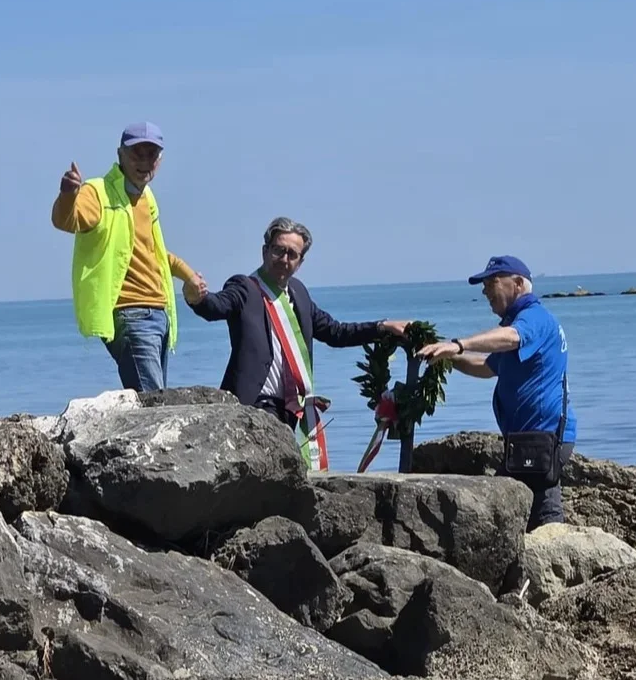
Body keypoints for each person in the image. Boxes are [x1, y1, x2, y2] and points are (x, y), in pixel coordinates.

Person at [185, 216, 409, 471]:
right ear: (265, 251)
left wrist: (382, 327)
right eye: (279, 250)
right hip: (255, 403)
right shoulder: (244, 287)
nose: (284, 259)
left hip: (294, 409)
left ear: (300, 262)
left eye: (292, 254)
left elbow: (335, 332)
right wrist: (197, 298)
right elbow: (217, 306)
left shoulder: (299, 294)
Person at [418, 255, 576, 530]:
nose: (485, 291)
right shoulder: (518, 324)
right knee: (524, 510)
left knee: (529, 514)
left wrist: (458, 344)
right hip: (527, 438)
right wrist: (446, 356)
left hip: (544, 438)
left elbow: (513, 337)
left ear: (517, 284)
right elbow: (487, 366)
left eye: (491, 282)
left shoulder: (534, 317)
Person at [51, 122, 208, 393]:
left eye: (152, 155)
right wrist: (68, 194)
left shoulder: (146, 197)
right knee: (153, 403)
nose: (145, 162)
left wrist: (189, 275)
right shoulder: (97, 191)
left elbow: (154, 252)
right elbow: (67, 220)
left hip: (159, 313)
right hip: (130, 313)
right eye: (137, 153)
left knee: (154, 399)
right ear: (120, 154)